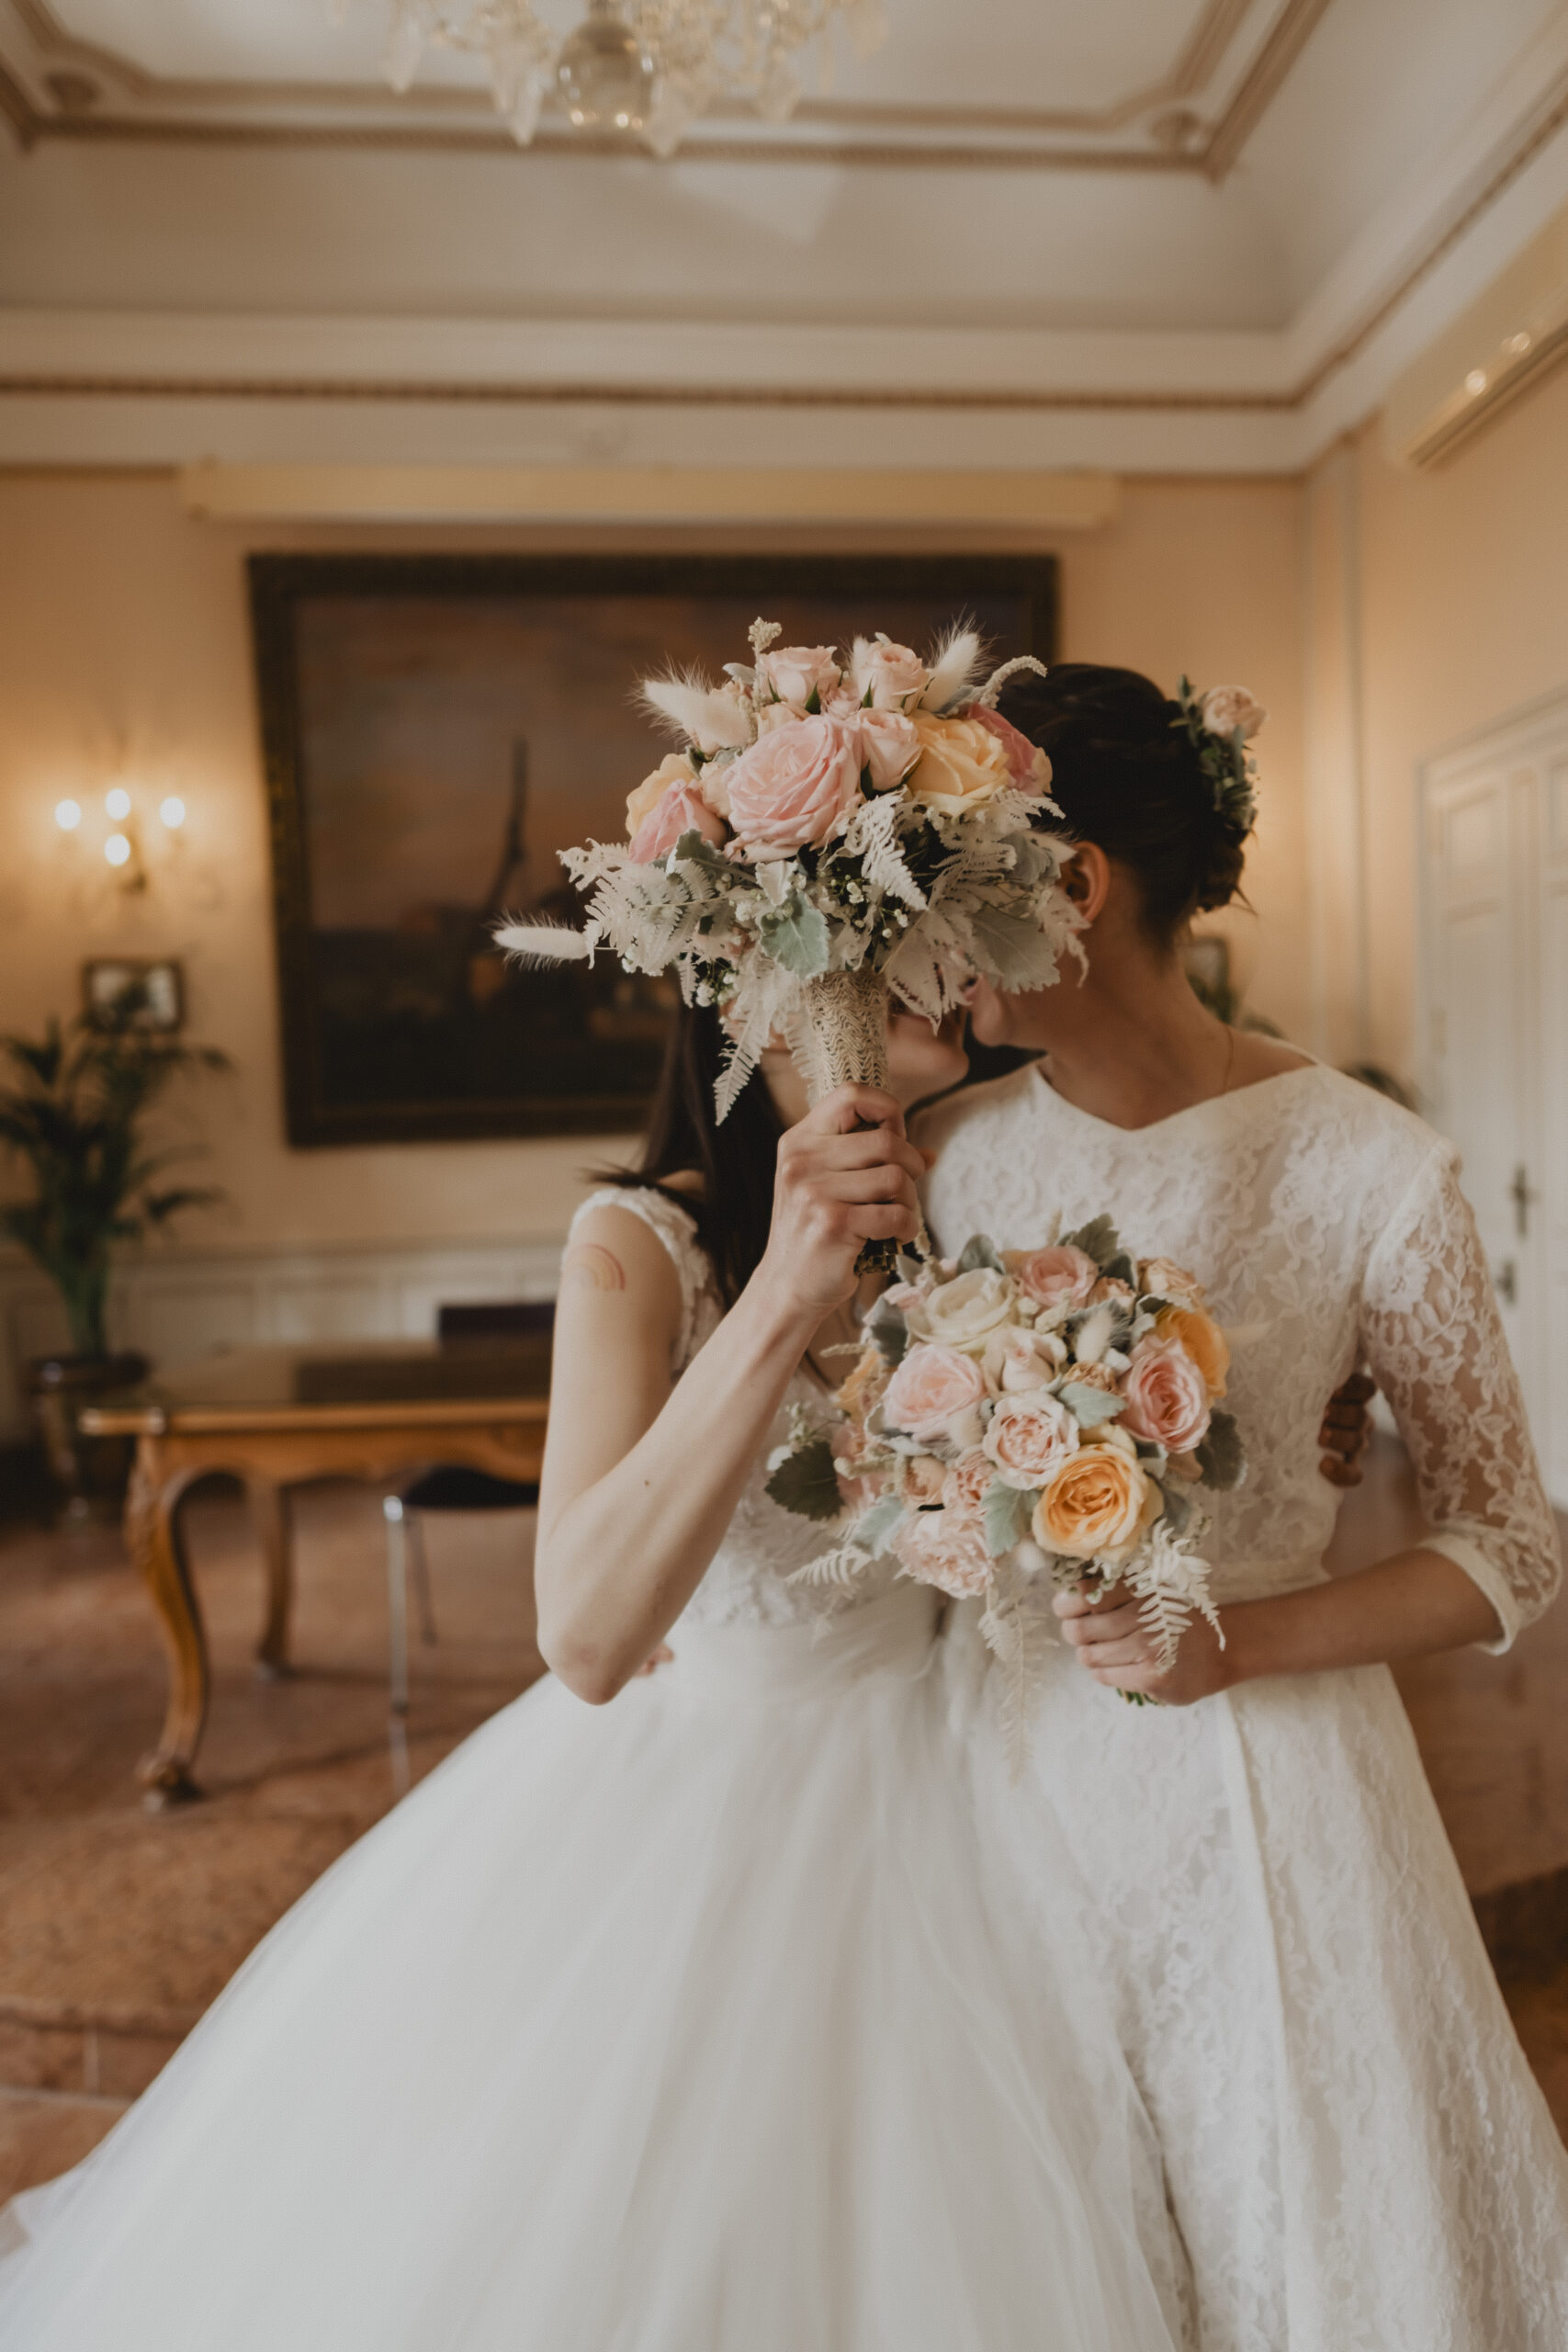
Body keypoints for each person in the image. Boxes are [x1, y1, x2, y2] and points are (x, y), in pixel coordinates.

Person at [0, 991, 1197, 2349]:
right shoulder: (639, 1245)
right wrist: (786, 1292)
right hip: (715, 1807)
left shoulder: (968, 1202)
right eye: (906, 912)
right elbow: (582, 1637)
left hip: (977, 1779)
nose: (950, 966)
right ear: (760, 985)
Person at [916, 662, 1568, 2352]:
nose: (933, 930)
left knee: (1295, 2231)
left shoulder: (1372, 1167)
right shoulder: (948, 1162)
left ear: (1078, 885)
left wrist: (1240, 1639)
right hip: (999, 1791)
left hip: (1280, 1796)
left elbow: (1512, 1544)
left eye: (961, 874)